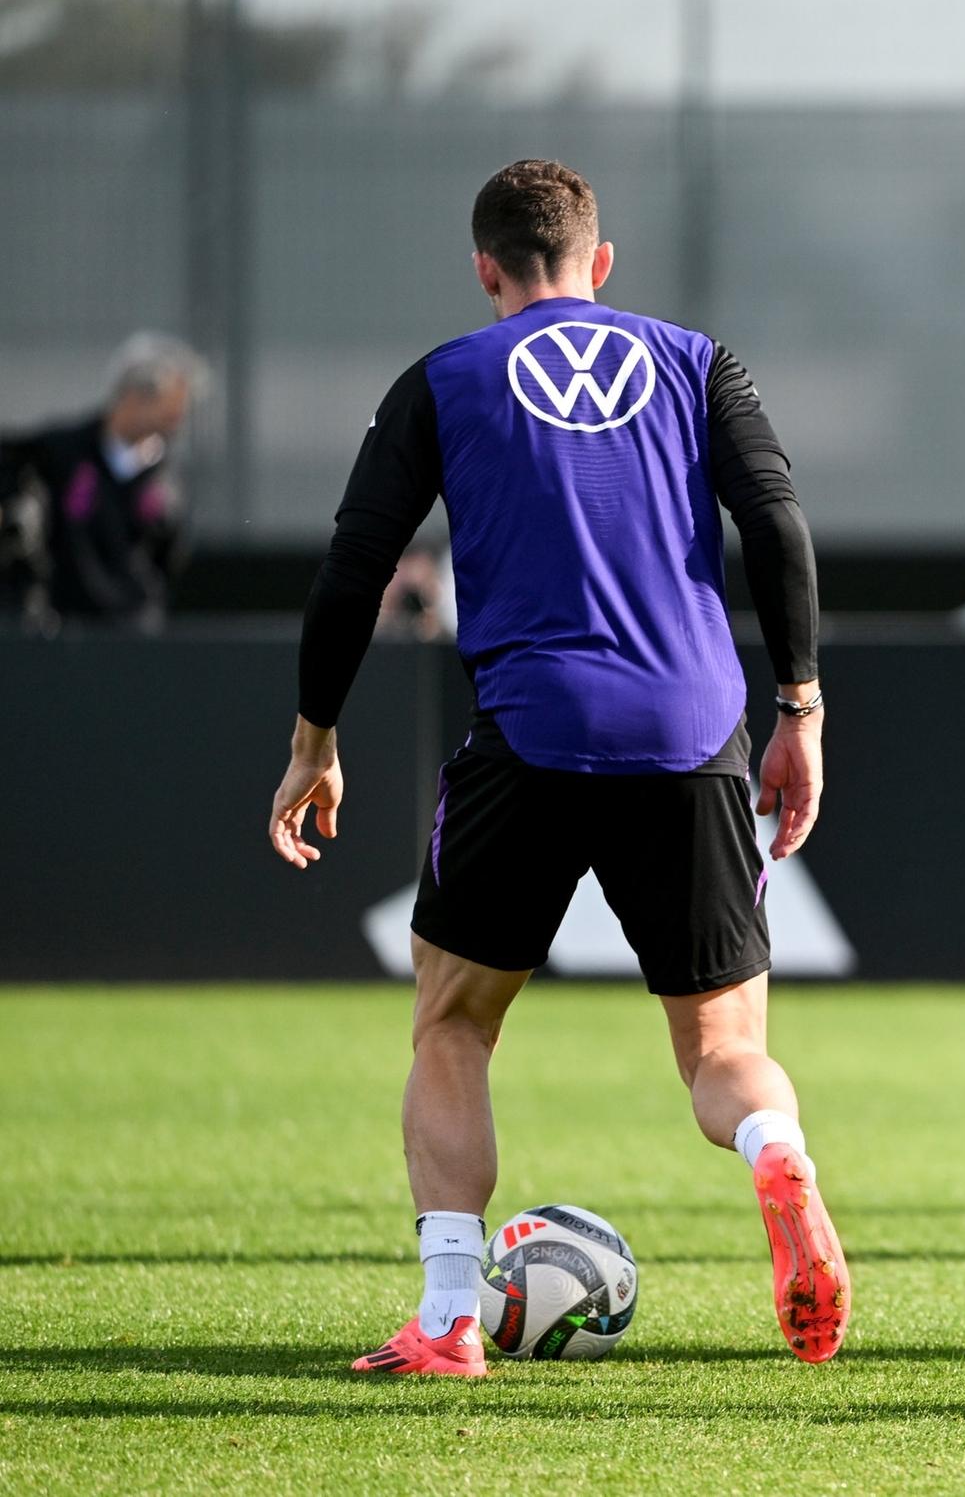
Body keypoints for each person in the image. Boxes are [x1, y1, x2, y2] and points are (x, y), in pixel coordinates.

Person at [265, 160, 846, 1377]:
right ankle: (775, 1152)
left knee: (453, 1025)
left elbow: (353, 569)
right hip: (692, 733)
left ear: (486, 270)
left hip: (529, 731)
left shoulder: (445, 378)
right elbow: (779, 524)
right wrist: (800, 705)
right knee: (722, 1051)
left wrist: (316, 735)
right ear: (602, 261)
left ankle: (445, 1318)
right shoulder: (697, 362)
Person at [0, 332, 205, 629]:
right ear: (133, 398)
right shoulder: (65, 449)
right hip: (64, 627)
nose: (179, 415)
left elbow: (167, 558)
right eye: (171, 403)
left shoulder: (165, 480)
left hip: (135, 631)